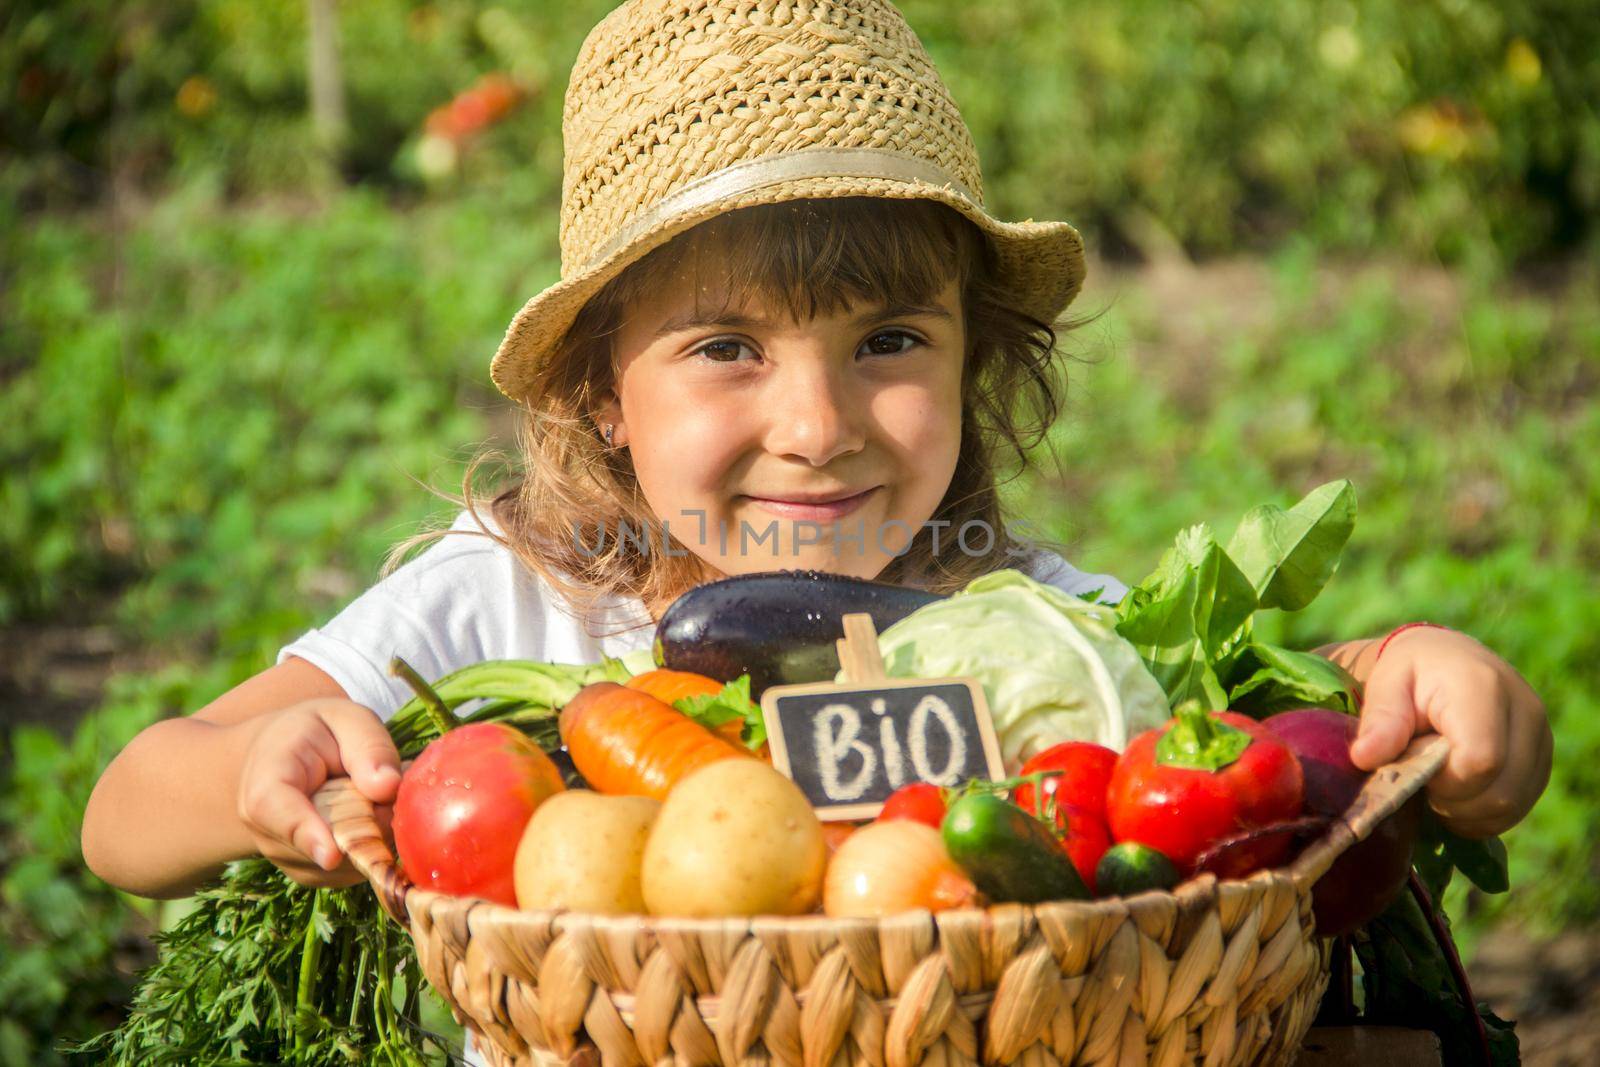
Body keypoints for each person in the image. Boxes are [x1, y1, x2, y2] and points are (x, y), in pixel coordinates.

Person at [81, 0, 1551, 1060]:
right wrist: (251, 776)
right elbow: (126, 812)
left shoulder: (1034, 631)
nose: (818, 423)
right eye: (726, 349)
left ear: (974, 362)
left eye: (889, 342)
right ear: (603, 390)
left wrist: (1425, 691)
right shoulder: (501, 614)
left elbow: (1264, 737)